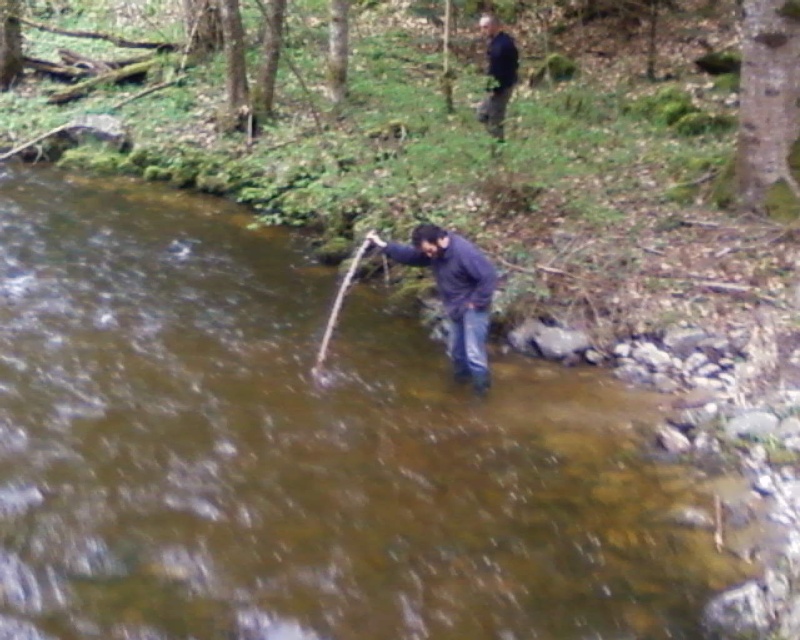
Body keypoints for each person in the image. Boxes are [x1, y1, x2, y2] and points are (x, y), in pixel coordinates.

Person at [366, 224, 497, 395]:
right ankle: (460, 388)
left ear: (441, 240)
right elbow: (411, 256)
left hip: (473, 308)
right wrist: (383, 245)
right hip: (454, 306)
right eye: (426, 251)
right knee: (456, 351)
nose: (428, 255)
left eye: (430, 250)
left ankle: (481, 394)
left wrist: (476, 302)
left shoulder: (464, 253)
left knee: (474, 353)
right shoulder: (435, 251)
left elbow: (488, 277)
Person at [477, 14, 519, 142]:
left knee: (495, 120)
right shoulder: (495, 42)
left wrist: (497, 88)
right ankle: (492, 144)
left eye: (486, 27)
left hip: (501, 87)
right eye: (481, 27)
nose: (483, 31)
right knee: (482, 115)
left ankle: (497, 150)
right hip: (494, 86)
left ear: (495, 26)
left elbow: (505, 68)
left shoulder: (503, 45)